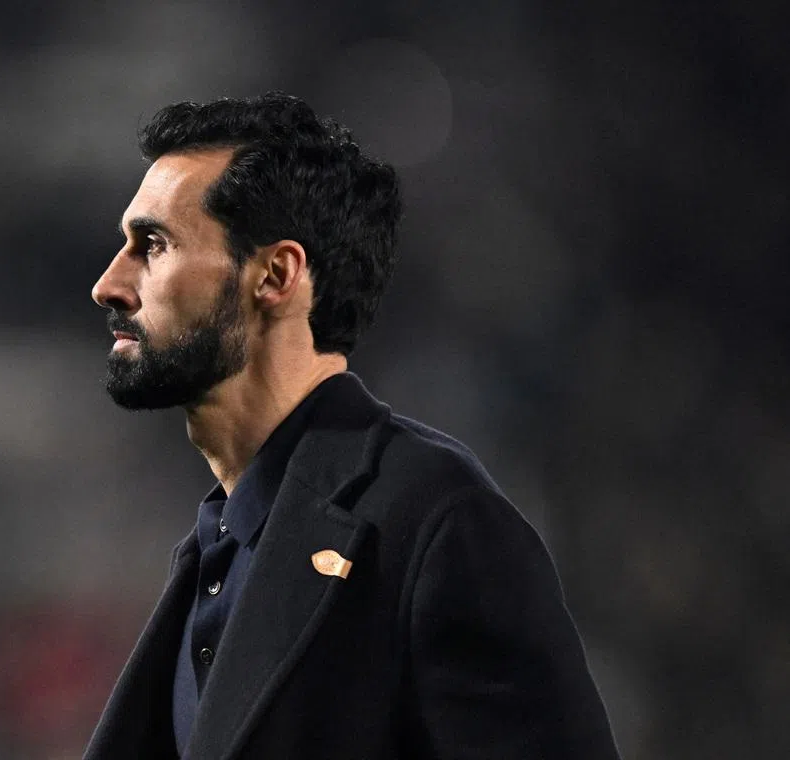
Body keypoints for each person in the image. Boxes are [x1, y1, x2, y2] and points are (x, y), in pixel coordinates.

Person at [85, 92, 621, 760]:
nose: (109, 283)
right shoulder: (217, 547)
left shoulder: (434, 522)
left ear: (276, 275)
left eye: (154, 245)